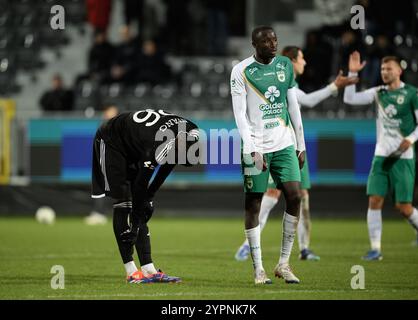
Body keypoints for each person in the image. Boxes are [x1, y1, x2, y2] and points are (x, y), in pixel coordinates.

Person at [235, 46, 359, 262]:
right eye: (302, 58)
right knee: (272, 195)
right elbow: (308, 101)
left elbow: (303, 102)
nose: (305, 63)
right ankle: (248, 244)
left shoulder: (288, 83)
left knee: (300, 196)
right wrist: (333, 86)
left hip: (293, 146)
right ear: (291, 61)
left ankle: (304, 248)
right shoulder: (273, 81)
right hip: (276, 146)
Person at [231, 26, 306, 284]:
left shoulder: (285, 65)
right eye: (265, 40)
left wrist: (301, 142)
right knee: (254, 203)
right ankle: (258, 269)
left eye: (274, 39)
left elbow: (292, 104)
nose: (272, 43)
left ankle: (284, 263)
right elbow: (240, 114)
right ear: (254, 44)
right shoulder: (240, 71)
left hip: (284, 143)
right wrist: (251, 147)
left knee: (295, 196)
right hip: (256, 146)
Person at [91, 109, 200, 282]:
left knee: (139, 203)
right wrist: (134, 225)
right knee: (125, 201)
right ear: (178, 144)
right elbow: (141, 184)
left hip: (133, 140)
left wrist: (150, 197)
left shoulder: (191, 133)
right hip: (112, 139)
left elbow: (167, 165)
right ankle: (131, 272)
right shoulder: (158, 145)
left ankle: (149, 270)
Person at [344, 51, 418, 260]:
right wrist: (352, 73)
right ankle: (375, 249)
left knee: (404, 208)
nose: (385, 72)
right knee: (375, 200)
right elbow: (349, 98)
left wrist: (410, 140)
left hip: (403, 158)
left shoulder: (412, 94)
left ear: (399, 70)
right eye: (383, 69)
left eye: (389, 69)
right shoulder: (379, 92)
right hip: (381, 157)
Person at [85, 105, 120, 226]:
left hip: (116, 164)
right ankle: (99, 214)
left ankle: (99, 214)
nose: (108, 114)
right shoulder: (104, 126)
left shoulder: (118, 127)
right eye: (107, 111)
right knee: (101, 186)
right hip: (107, 162)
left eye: (111, 112)